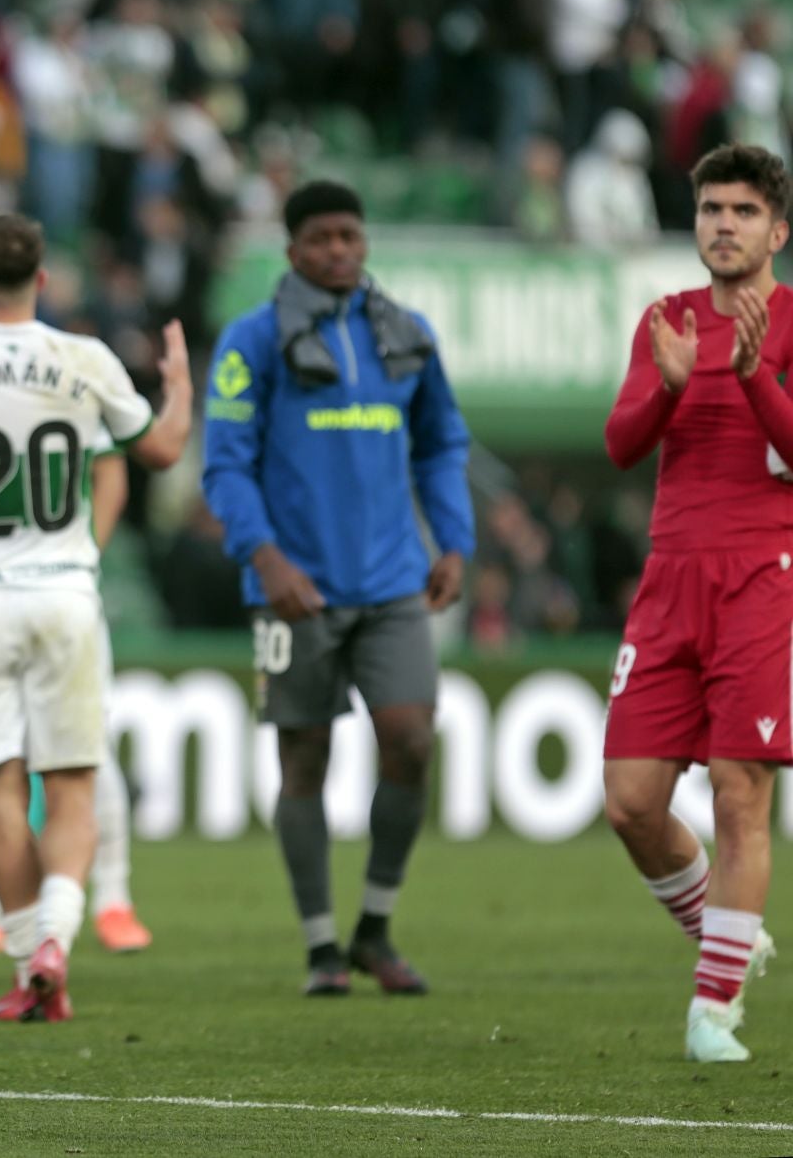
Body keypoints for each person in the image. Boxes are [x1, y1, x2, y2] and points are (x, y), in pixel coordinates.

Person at [0, 213, 191, 1022]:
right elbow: (156, 453)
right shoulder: (85, 358)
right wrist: (180, 392)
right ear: (43, 281)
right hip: (67, 593)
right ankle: (56, 936)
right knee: (74, 783)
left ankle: (27, 966)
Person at [201, 179, 473, 997]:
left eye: (350, 236)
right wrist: (265, 556)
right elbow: (224, 462)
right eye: (320, 238)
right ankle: (322, 945)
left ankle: (376, 929)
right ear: (292, 251)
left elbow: (441, 443)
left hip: (393, 582)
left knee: (413, 740)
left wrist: (454, 538)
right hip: (296, 588)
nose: (338, 251)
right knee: (304, 760)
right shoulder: (251, 340)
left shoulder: (405, 334)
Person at [600, 143, 792, 1063]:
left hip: (765, 573)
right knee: (631, 801)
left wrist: (754, 372)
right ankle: (731, 931)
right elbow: (620, 443)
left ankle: (712, 1009)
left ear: (777, 230)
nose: (724, 224)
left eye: (744, 211)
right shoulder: (666, 319)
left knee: (737, 789)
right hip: (670, 574)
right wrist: (670, 386)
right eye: (712, 209)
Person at [0, 451, 158, 959]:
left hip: (49, 593)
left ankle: (113, 902)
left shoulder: (61, 381)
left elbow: (119, 461)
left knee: (86, 754)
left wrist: (83, 556)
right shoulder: (54, 383)